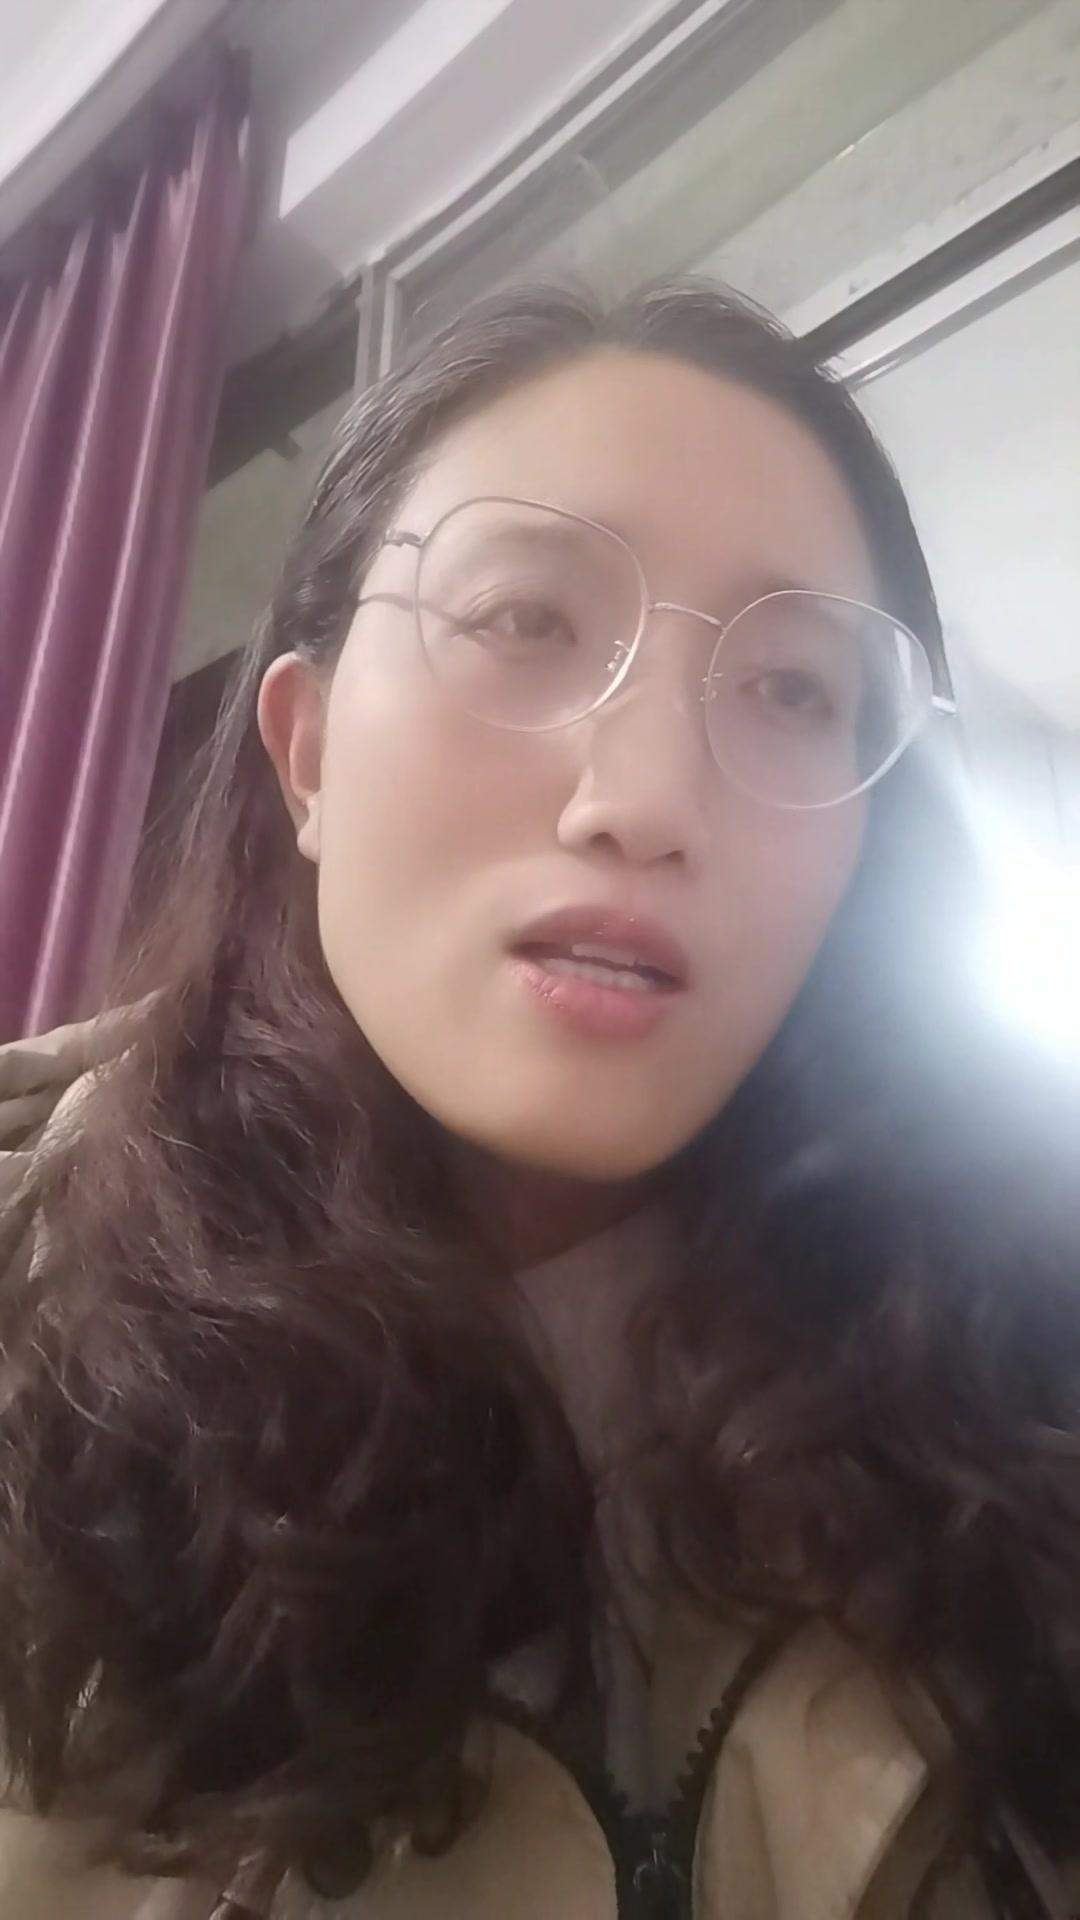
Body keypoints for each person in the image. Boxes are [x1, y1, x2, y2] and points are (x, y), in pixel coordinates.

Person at [0, 279, 1077, 1920]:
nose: (645, 800)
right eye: (522, 622)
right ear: (306, 754)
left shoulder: (1019, 1365)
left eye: (792, 689)